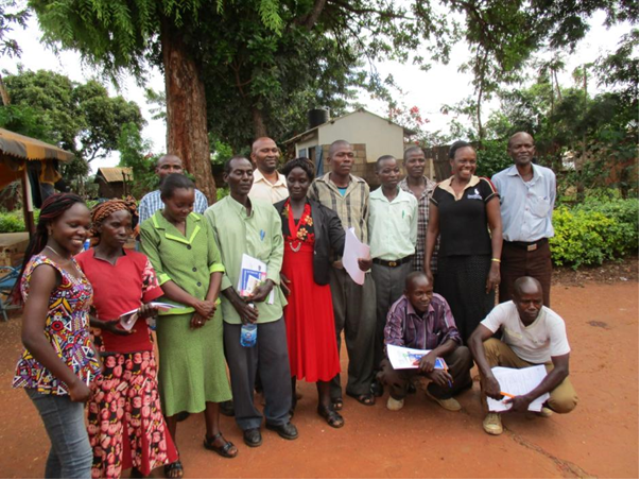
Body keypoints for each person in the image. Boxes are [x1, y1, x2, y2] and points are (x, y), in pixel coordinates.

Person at [140, 174, 238, 476]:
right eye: (179, 204)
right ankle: (170, 450)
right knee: (174, 380)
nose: (186, 210)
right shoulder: (149, 229)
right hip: (176, 318)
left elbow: (216, 263)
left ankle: (213, 435)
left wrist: (207, 304)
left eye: (190, 204)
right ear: (164, 199)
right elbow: (158, 276)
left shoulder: (200, 222)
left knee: (212, 373)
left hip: (209, 314)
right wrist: (194, 304)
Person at [76, 200, 179, 479]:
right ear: (98, 227)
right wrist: (104, 324)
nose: (124, 231)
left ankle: (141, 468)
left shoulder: (139, 261)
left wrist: (148, 310)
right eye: (115, 225)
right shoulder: (80, 264)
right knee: (108, 417)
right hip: (104, 354)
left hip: (141, 353)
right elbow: (75, 313)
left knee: (143, 416)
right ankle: (108, 470)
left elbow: (152, 299)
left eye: (128, 226)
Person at [205, 156, 298, 449]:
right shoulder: (212, 215)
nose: (245, 178)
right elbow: (214, 259)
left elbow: (276, 249)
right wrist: (233, 297)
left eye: (249, 173)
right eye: (238, 173)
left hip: (268, 301)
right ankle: (248, 421)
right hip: (235, 305)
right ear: (226, 178)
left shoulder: (268, 212)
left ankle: (279, 416)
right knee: (242, 366)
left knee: (277, 360)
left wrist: (270, 280)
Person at [275, 158, 370, 429]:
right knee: (287, 342)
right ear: (286, 181)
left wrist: (361, 257)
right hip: (285, 287)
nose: (296, 184)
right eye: (291, 180)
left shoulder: (324, 213)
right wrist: (272, 274)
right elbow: (263, 248)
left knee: (323, 342)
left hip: (316, 286)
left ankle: (325, 402)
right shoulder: (273, 212)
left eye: (302, 180)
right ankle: (288, 401)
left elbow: (342, 243)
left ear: (309, 182)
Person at [12, 194, 101, 479]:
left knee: (63, 454)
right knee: (79, 461)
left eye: (85, 227)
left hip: (67, 373)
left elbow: (72, 319)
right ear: (50, 224)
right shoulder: (45, 269)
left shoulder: (67, 261)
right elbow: (31, 335)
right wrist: (73, 381)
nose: (81, 232)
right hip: (50, 378)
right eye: (73, 224)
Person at [309, 140, 378, 409]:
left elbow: (366, 223)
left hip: (360, 270)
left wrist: (366, 254)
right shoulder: (317, 187)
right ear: (330, 160)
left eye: (350, 155)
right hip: (332, 270)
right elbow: (312, 225)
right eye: (340, 155)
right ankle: (332, 390)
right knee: (330, 330)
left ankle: (359, 385)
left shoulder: (362, 186)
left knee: (362, 329)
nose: (346, 159)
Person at [468, 277, 578, 436]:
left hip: (543, 366)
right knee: (488, 346)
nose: (532, 306)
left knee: (565, 401)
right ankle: (493, 408)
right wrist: (488, 376)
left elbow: (562, 369)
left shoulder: (554, 321)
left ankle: (537, 402)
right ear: (514, 299)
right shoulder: (504, 310)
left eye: (537, 301)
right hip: (513, 359)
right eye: (526, 301)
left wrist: (528, 398)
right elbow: (474, 338)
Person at [425, 141, 503, 343]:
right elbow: (433, 229)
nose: (468, 165)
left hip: (479, 262)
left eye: (472, 161)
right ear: (451, 162)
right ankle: (460, 368)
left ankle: (484, 366)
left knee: (480, 313)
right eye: (462, 161)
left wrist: (495, 265)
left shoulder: (484, 185)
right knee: (452, 313)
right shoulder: (439, 190)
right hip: (448, 263)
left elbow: (496, 227)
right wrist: (426, 266)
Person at [379, 273, 473, 413]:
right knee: (388, 370)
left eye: (429, 292)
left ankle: (439, 392)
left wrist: (433, 355)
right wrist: (428, 370)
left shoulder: (440, 303)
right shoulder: (398, 309)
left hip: (435, 357)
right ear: (407, 294)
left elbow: (453, 336)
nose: (425, 298)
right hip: (407, 361)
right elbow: (394, 349)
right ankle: (398, 393)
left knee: (463, 354)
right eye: (419, 293)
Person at [369, 155, 418, 397]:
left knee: (403, 319)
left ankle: (403, 373)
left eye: (395, 170)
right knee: (378, 321)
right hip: (377, 268)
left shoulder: (410, 200)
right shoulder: (370, 200)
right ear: (377, 175)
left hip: (403, 267)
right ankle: (380, 373)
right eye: (386, 171)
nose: (392, 175)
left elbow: (412, 235)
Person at [492, 132, 556, 307]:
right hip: (511, 254)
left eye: (527, 146)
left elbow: (549, 207)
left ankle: (538, 336)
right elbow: (494, 221)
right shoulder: (499, 180)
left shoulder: (548, 177)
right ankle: (509, 335)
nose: (523, 150)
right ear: (509, 151)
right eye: (518, 146)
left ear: (534, 149)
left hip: (540, 253)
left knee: (540, 303)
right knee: (509, 303)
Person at [400, 146, 439, 274]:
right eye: (412, 161)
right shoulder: (396, 192)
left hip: (434, 260)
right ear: (404, 163)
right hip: (405, 261)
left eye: (421, 160)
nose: (417, 164)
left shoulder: (437, 190)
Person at [138, 155, 209, 225]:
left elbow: (203, 226)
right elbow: (144, 230)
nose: (171, 171)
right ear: (157, 171)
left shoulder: (199, 197)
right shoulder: (147, 200)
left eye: (176, 167)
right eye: (166, 167)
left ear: (182, 171)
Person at [250, 137, 289, 204]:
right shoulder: (246, 185)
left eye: (274, 150)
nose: (271, 155)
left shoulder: (289, 182)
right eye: (265, 151)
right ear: (254, 157)